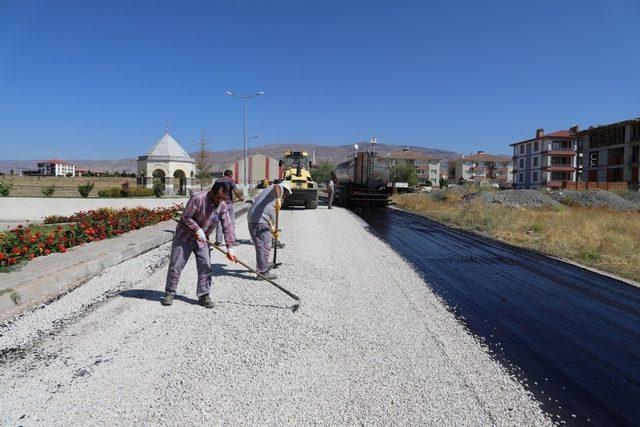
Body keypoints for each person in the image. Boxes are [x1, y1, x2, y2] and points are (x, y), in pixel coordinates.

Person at [161, 181, 237, 308]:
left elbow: (228, 226)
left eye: (223, 198)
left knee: (205, 266)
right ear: (212, 192)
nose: (220, 200)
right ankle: (169, 292)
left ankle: (204, 295)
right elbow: (186, 217)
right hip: (184, 237)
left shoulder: (222, 206)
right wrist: (197, 229)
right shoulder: (198, 199)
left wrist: (230, 247)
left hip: (202, 240)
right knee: (176, 265)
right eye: (218, 197)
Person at [246, 180, 292, 280]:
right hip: (258, 220)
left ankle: (263, 265)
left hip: (255, 219)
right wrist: (279, 198)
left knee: (262, 245)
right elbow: (277, 187)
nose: (286, 195)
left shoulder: (271, 198)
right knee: (264, 245)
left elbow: (271, 217)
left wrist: (273, 230)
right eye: (287, 192)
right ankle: (263, 272)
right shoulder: (277, 189)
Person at [214, 170, 244, 246]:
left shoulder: (217, 180)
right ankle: (231, 241)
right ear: (231, 175)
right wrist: (240, 198)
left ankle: (218, 241)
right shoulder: (230, 180)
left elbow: (213, 192)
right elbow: (235, 191)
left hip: (218, 205)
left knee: (219, 223)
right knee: (230, 223)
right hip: (228, 204)